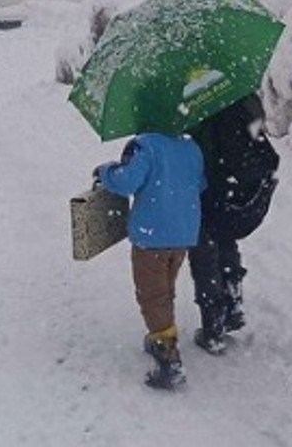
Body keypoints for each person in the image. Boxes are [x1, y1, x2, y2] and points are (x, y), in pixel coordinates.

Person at [96, 131, 205, 390]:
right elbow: (199, 183)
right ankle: (161, 332)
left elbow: (127, 182)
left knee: (152, 294)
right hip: (183, 232)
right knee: (165, 288)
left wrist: (105, 171)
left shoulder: (147, 146)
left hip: (153, 234)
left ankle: (168, 358)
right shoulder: (191, 146)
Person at [187, 93, 280, 354]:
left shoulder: (194, 100)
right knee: (225, 237)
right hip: (244, 187)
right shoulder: (238, 90)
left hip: (214, 185)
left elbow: (195, 147)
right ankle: (233, 303)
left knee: (204, 251)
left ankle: (213, 326)